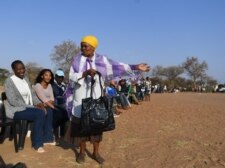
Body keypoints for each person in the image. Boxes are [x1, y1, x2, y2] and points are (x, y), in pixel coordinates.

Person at [65, 35, 150, 164]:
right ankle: (81, 153)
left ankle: (96, 153)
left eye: (86, 46)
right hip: (80, 97)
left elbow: (118, 67)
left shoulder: (102, 60)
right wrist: (84, 74)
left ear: (93, 47)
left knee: (97, 126)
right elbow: (71, 76)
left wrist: (135, 67)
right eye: (82, 45)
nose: (83, 48)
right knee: (81, 129)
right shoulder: (76, 60)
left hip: (97, 98)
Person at [4, 60, 51, 153]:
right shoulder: (9, 81)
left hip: (27, 107)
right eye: (19, 69)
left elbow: (32, 94)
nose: (22, 71)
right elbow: (13, 101)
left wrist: (38, 103)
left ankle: (47, 138)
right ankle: (38, 144)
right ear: (13, 70)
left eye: (23, 68)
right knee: (39, 113)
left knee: (47, 110)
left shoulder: (25, 79)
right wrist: (32, 106)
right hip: (15, 110)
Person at [34, 69, 69, 142]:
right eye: (46, 75)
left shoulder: (50, 85)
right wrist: (53, 106)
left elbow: (52, 99)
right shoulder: (38, 85)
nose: (48, 77)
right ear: (42, 76)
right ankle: (51, 134)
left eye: (49, 76)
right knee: (56, 113)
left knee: (64, 113)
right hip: (40, 105)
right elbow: (44, 99)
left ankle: (59, 134)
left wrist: (50, 104)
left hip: (49, 104)